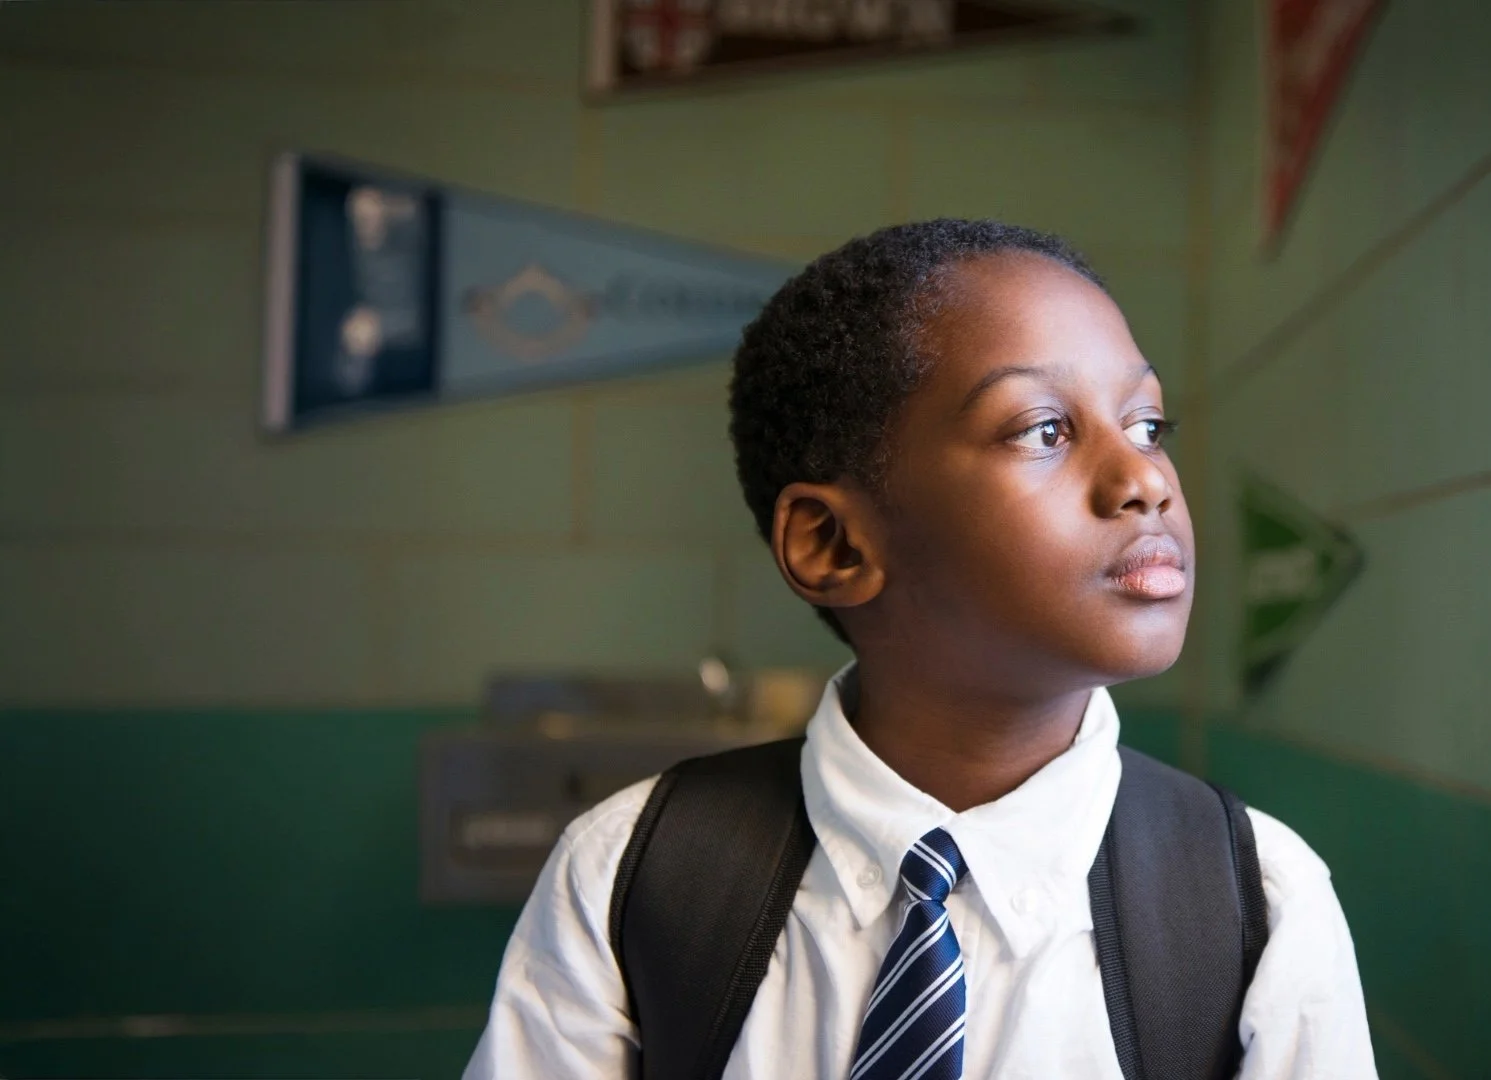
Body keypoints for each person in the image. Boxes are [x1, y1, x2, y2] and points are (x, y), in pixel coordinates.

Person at [465, 220, 1376, 1079]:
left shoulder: (1258, 904)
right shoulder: (632, 874)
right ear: (833, 545)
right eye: (1044, 430)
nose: (1144, 479)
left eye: (1146, 425)